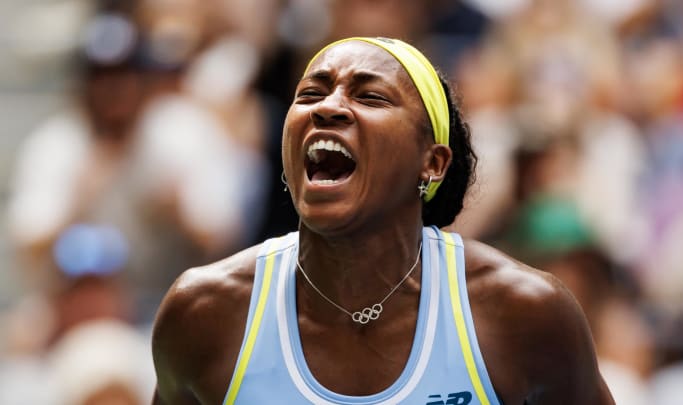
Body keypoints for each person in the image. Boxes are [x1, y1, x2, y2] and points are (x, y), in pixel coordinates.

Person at [151, 37, 614, 405]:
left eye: (370, 96)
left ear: (432, 163)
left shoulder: (524, 312)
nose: (327, 107)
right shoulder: (203, 313)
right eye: (311, 93)